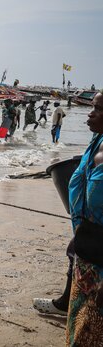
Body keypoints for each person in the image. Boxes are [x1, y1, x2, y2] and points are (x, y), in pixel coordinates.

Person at [65, 90, 103, 344]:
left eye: (98, 109)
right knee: (76, 332)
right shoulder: (96, 142)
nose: (90, 112)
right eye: (92, 106)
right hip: (86, 253)